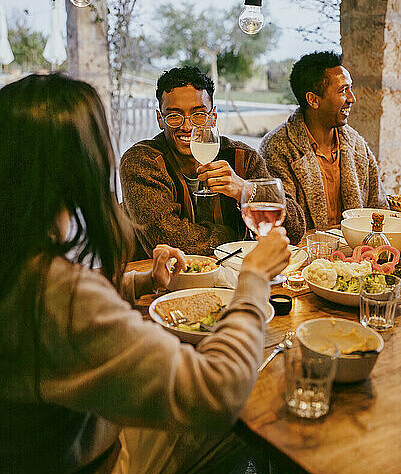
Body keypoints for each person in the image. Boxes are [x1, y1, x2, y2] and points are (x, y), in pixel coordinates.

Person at [0, 72, 291, 474]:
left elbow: (67, 301)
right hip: (97, 458)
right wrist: (254, 281)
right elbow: (216, 393)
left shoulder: (17, 254)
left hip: (74, 433)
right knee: (264, 420)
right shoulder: (57, 295)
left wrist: (134, 282)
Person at [120, 66, 305, 259]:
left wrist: (245, 190)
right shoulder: (142, 161)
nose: (187, 126)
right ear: (160, 119)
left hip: (236, 277)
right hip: (165, 282)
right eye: (174, 115)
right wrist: (236, 238)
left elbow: (295, 229)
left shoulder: (242, 157)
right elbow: (168, 239)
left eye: (198, 114)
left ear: (213, 116)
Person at [259, 51, 388, 230]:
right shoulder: (276, 148)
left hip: (358, 254)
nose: (352, 98)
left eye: (350, 88)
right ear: (313, 100)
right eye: (343, 90)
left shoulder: (356, 143)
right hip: (303, 253)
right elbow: (284, 225)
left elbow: (379, 208)